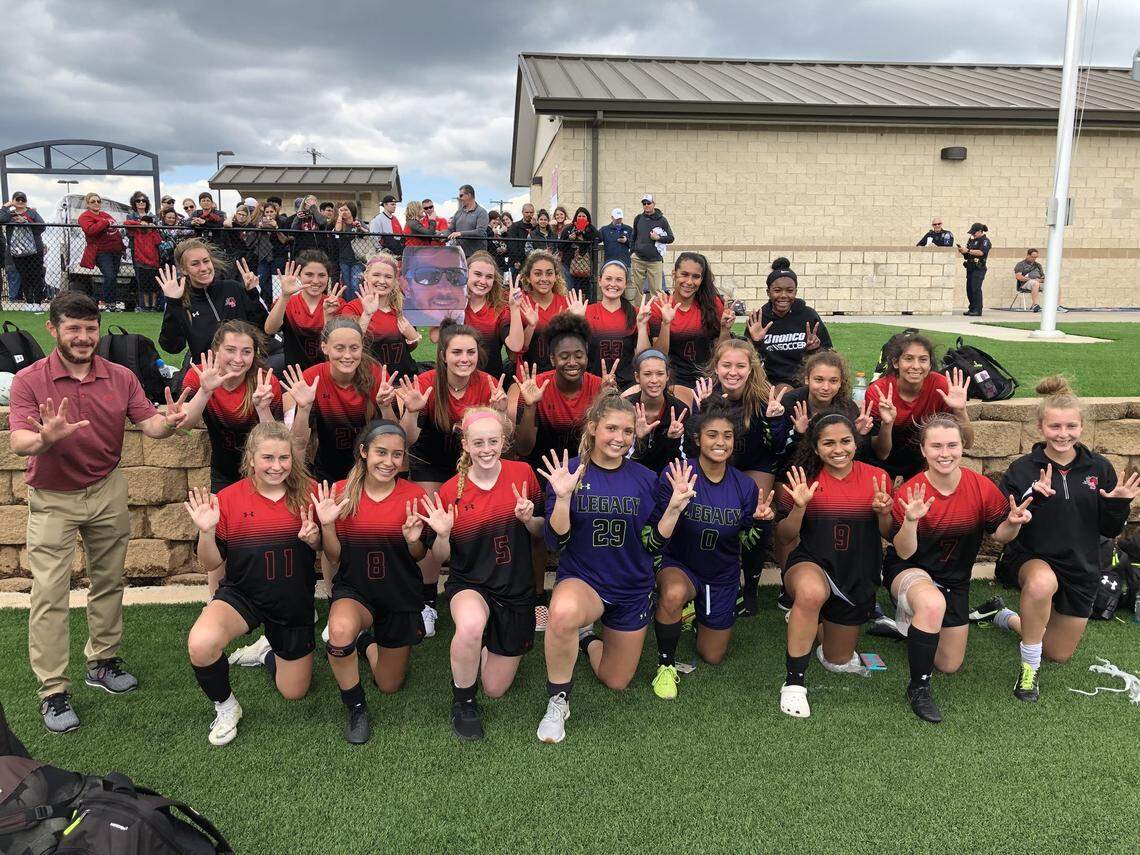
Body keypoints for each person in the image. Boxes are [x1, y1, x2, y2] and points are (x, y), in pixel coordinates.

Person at [10, 292, 208, 733]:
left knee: (108, 580)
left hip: (106, 488)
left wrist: (169, 420)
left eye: (90, 328)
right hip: (53, 497)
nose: (83, 337)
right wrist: (45, 438)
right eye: (73, 329)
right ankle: (53, 690)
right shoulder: (29, 380)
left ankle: (102, 661)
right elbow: (20, 442)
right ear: (53, 329)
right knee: (49, 593)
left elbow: (150, 425)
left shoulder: (120, 376)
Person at [535, 393, 694, 743]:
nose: (619, 438)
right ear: (593, 428)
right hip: (585, 581)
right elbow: (555, 542)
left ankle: (587, 638)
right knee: (562, 612)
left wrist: (673, 510)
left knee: (616, 680)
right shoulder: (569, 472)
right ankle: (558, 700)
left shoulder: (645, 478)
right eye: (611, 428)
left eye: (627, 431)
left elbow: (653, 544)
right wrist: (563, 498)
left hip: (632, 587)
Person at [990, 377, 1139, 702]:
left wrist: (1118, 505)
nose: (1063, 433)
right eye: (1054, 426)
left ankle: (1007, 617)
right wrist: (1031, 502)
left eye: (1071, 426)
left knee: (1057, 653)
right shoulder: (1022, 469)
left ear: (1082, 427)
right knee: (1041, 584)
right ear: (1040, 428)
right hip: (1031, 558)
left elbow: (1110, 530)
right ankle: (1029, 670)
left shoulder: (1099, 468)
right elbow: (1002, 530)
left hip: (1082, 566)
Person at [885, 414, 1031, 723]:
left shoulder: (980, 486)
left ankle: (908, 625)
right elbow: (904, 551)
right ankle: (918, 688)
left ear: (962, 446)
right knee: (931, 603)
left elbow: (1000, 535)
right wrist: (910, 521)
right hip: (910, 570)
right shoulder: (911, 492)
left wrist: (1013, 523)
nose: (944, 453)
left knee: (949, 664)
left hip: (954, 579)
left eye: (952, 445)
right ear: (923, 450)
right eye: (936, 446)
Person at [184, 422, 320, 747]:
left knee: (294, 692)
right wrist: (206, 531)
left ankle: (266, 651)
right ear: (251, 458)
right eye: (267, 458)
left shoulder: (311, 493)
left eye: (284, 458)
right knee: (201, 644)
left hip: (292, 601)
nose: (276, 466)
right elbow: (211, 563)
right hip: (243, 595)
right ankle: (226, 707)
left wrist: (316, 539)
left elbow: (329, 550)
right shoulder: (228, 498)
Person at [426, 408, 545, 740]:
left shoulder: (523, 473)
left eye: (493, 441)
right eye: (478, 443)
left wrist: (528, 520)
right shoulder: (450, 491)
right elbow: (440, 557)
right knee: (470, 626)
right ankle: (463, 702)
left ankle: (484, 641)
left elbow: (542, 531)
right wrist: (443, 535)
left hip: (515, 588)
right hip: (470, 584)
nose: (486, 449)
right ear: (465, 444)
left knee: (494, 688)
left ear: (503, 441)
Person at [312, 422, 431, 744]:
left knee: (389, 685)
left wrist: (412, 540)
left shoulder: (414, 495)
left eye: (397, 455)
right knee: (339, 634)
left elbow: (419, 555)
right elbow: (335, 556)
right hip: (356, 591)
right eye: (381, 452)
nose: (388, 462)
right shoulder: (339, 493)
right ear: (364, 452)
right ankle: (356, 708)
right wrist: (327, 526)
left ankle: (364, 643)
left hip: (398, 594)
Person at [651, 402, 775, 700]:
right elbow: (653, 530)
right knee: (673, 594)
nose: (721, 442)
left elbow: (747, 541)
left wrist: (762, 523)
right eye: (712, 435)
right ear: (697, 439)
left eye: (727, 436)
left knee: (712, 655)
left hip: (721, 573)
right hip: (680, 563)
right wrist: (674, 506)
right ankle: (665, 664)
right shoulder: (678, 474)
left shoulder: (744, 486)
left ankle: (697, 614)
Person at [774, 414, 894, 719]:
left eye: (845, 441)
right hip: (812, 563)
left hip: (856, 572)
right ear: (816, 447)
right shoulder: (803, 479)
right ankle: (794, 682)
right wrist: (799, 507)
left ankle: (810, 619)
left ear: (856, 442)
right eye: (828, 443)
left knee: (837, 661)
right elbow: (785, 536)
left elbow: (888, 533)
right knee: (811, 593)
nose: (838, 449)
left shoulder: (877, 477)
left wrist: (883, 513)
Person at [398, 320, 508, 636]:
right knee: (432, 524)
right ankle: (427, 601)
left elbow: (502, 440)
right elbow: (406, 439)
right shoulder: (425, 382)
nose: (464, 358)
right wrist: (412, 411)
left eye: (470, 352)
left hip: (473, 463)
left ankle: (486, 591)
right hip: (430, 461)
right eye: (457, 352)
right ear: (443, 355)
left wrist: (501, 413)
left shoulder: (488, 384)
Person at [690, 339, 790, 617]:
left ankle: (751, 587)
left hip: (756, 463)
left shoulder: (764, 397)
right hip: (719, 462)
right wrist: (701, 411)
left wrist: (775, 421)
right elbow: (695, 444)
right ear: (716, 367)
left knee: (758, 512)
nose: (732, 372)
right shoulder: (707, 394)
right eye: (726, 365)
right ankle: (713, 578)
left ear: (751, 369)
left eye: (740, 366)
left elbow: (776, 448)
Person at [180, 320, 283, 498]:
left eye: (246, 352)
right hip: (223, 472)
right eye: (230, 350)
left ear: (254, 354)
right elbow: (184, 427)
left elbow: (276, 441)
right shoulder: (200, 376)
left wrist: (263, 409)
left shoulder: (265, 383)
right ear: (216, 350)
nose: (238, 359)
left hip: (263, 471)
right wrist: (205, 391)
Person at [866, 333, 974, 480]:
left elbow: (968, 443)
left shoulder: (940, 386)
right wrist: (887, 423)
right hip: (881, 463)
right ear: (896, 363)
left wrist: (960, 411)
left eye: (923, 359)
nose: (916, 366)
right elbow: (881, 453)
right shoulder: (879, 391)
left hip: (923, 460)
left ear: (930, 365)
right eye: (908, 358)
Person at [157, 239, 268, 371]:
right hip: (207, 373)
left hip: (243, 370)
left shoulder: (233, 288)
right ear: (184, 270)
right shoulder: (181, 301)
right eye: (195, 264)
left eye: (206, 261)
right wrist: (173, 304)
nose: (204, 268)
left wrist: (252, 294)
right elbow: (172, 347)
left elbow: (264, 329)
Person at [746, 258, 832, 393]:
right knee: (784, 391)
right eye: (777, 290)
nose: (783, 295)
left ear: (795, 292)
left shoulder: (808, 315)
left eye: (789, 291)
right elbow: (745, 358)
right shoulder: (759, 319)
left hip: (804, 379)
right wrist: (756, 342)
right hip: (768, 382)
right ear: (768, 292)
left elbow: (828, 354)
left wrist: (813, 350)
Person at [648, 252, 731, 388]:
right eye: (684, 274)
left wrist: (725, 330)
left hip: (707, 378)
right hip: (672, 380)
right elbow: (658, 355)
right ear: (674, 274)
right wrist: (666, 324)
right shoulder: (659, 306)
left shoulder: (712, 304)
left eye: (696, 277)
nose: (689, 282)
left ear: (702, 279)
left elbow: (723, 352)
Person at [780, 350, 875, 465]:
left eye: (833, 381)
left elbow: (859, 459)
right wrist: (799, 434)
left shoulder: (848, 408)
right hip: (800, 468)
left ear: (840, 383)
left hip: (835, 466)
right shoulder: (790, 403)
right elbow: (779, 453)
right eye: (819, 380)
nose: (826, 387)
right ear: (807, 379)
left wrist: (860, 436)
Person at [338, 253, 421, 378]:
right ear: (366, 276)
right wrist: (366, 315)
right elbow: (347, 345)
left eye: (388, 277)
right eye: (376, 275)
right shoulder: (352, 308)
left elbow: (406, 349)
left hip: (404, 378)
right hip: (368, 380)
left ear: (395, 280)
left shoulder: (401, 308)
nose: (382, 281)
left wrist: (413, 339)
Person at [571, 260, 650, 390]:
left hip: (627, 387)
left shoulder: (636, 314)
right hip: (592, 385)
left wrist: (642, 326)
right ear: (600, 280)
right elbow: (576, 353)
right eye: (608, 279)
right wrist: (577, 322)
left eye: (619, 280)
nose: (613, 284)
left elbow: (643, 357)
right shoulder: (586, 312)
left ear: (625, 284)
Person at [264, 250, 346, 370]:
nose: (316, 281)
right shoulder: (287, 302)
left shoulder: (336, 304)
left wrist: (328, 316)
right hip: (294, 373)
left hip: (328, 372)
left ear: (328, 277)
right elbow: (270, 329)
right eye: (309, 274)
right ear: (299, 276)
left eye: (322, 275)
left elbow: (338, 344)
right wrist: (285, 296)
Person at [625, 349, 689, 474]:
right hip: (631, 476)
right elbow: (618, 457)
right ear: (637, 377)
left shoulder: (680, 410)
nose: (654, 380)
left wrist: (672, 439)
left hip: (667, 477)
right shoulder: (625, 408)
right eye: (647, 374)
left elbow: (683, 461)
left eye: (660, 374)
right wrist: (639, 439)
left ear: (667, 376)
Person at [463, 250, 525, 378]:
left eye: (489, 277)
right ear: (465, 274)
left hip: (491, 381)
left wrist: (514, 308)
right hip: (455, 380)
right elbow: (435, 337)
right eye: (477, 274)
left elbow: (516, 346)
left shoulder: (499, 310)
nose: (483, 281)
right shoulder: (455, 306)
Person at [510, 250, 569, 374]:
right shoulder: (519, 304)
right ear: (528, 278)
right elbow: (513, 356)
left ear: (556, 277)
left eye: (549, 273)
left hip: (561, 377)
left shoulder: (568, 304)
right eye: (538, 274)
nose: (544, 279)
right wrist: (530, 327)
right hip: (528, 377)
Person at [77, 192, 125, 309]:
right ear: (87, 204)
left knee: (113, 276)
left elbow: (115, 229)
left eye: (98, 201)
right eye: (93, 201)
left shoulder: (105, 214)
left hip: (115, 250)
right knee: (109, 275)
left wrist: (122, 247)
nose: (96, 203)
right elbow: (90, 230)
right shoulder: (85, 216)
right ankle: (107, 302)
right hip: (101, 251)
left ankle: (112, 303)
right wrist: (104, 222)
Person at [0, 192, 47, 305]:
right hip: (18, 251)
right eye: (18, 199)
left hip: (35, 250)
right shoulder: (9, 214)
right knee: (24, 276)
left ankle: (38, 302)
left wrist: (26, 222)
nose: (20, 202)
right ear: (13, 201)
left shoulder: (32, 212)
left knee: (36, 275)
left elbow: (42, 227)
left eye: (23, 199)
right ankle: (29, 302)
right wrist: (6, 206)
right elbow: (1, 219)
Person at [629, 194, 674, 299]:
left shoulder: (662, 220)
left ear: (653, 204)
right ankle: (638, 308)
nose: (646, 205)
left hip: (655, 260)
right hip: (638, 259)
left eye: (648, 203)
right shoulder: (638, 218)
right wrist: (632, 253)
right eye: (644, 203)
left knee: (656, 290)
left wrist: (658, 238)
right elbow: (633, 237)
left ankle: (656, 309)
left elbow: (671, 238)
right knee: (638, 290)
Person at [124, 192, 162, 312]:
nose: (141, 203)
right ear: (134, 203)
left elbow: (158, 239)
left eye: (143, 201)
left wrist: (152, 227)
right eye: (138, 201)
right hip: (138, 254)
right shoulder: (131, 217)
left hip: (153, 259)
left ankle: (154, 306)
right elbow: (127, 226)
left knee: (153, 283)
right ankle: (143, 306)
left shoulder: (152, 218)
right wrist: (140, 224)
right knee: (141, 281)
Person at [330, 201, 367, 299]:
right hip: (344, 259)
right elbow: (337, 231)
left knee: (355, 284)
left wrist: (360, 227)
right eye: (341, 210)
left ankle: (356, 303)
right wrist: (339, 216)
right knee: (346, 285)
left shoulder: (358, 222)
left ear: (352, 210)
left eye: (346, 210)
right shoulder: (341, 224)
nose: (344, 212)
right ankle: (348, 304)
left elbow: (368, 233)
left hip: (358, 259)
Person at [560, 207, 599, 301]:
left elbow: (599, 238)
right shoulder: (569, 228)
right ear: (575, 217)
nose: (581, 218)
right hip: (569, 264)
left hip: (586, 265)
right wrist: (569, 239)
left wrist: (584, 232)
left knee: (585, 291)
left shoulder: (590, 228)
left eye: (584, 216)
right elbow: (560, 246)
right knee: (570, 288)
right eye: (579, 216)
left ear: (587, 218)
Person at [957, 222, 991, 316]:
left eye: (974, 232)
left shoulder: (985, 241)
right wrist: (963, 251)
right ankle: (972, 308)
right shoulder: (972, 240)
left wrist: (968, 250)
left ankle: (977, 310)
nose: (972, 234)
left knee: (975, 288)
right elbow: (968, 254)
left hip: (979, 268)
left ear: (980, 231)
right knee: (969, 289)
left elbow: (981, 252)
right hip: (970, 267)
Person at [449, 184, 489, 257]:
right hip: (460, 255)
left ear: (469, 195)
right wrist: (440, 235)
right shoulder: (458, 212)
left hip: (476, 256)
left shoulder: (482, 212)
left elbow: (480, 231)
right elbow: (450, 230)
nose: (459, 198)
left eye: (461, 195)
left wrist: (460, 233)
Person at [506, 203, 537, 274]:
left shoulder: (536, 227)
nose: (529, 214)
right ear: (522, 212)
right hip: (518, 262)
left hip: (532, 262)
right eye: (527, 212)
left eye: (531, 212)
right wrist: (516, 260)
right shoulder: (515, 226)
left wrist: (535, 226)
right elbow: (512, 245)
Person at [1014, 248, 1045, 312]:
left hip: (1038, 282)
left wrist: (1040, 280)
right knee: (1035, 283)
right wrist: (1031, 279)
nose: (1034, 259)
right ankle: (1035, 305)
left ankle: (1057, 306)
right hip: (1025, 284)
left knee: (1055, 285)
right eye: (1033, 257)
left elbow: (1043, 278)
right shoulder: (1021, 264)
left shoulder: (1038, 265)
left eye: (1035, 257)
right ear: (1028, 255)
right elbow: (1018, 277)